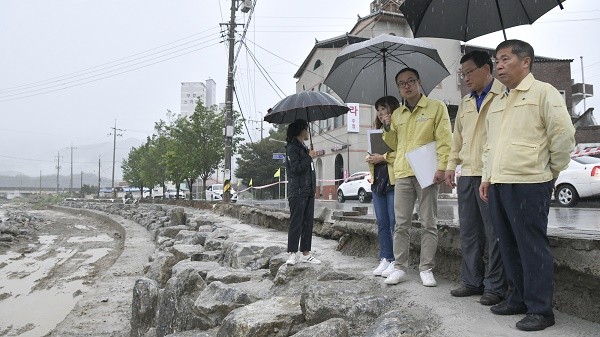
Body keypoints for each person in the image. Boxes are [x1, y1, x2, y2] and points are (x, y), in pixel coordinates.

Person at [479, 39, 575, 331]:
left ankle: (541, 309)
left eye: (505, 59)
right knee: (507, 245)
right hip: (499, 183)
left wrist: (552, 170)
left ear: (526, 61)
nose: (499, 65)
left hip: (530, 182)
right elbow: (490, 144)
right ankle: (517, 297)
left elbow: (563, 135)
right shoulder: (499, 100)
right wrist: (486, 176)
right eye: (497, 60)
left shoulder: (543, 93)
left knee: (531, 246)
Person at [445, 50, 506, 305]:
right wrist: (451, 165)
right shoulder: (466, 102)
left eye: (469, 72)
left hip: (491, 173)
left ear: (486, 68)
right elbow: (456, 138)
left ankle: (495, 286)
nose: (465, 78)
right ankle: (472, 281)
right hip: (468, 174)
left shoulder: (504, 95)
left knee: (495, 233)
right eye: (462, 74)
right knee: (469, 232)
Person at [381, 68, 452, 286]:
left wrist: (442, 166)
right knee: (401, 224)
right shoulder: (397, 115)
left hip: (427, 172)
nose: (407, 86)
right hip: (402, 172)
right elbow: (395, 144)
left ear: (419, 82)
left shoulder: (436, 107)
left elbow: (444, 139)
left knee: (428, 222)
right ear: (399, 89)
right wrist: (386, 126)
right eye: (402, 83)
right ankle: (400, 267)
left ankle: (426, 268)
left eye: (411, 81)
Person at [367, 96, 399, 276]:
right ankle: (385, 258)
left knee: (395, 222)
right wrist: (371, 158)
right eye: (378, 110)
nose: (380, 113)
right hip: (378, 180)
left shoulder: (398, 128)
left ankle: (396, 260)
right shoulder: (375, 132)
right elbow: (374, 156)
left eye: (383, 109)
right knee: (382, 223)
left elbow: (402, 152)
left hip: (394, 180)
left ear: (392, 109)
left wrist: (383, 157)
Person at [285, 119, 321, 265]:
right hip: (297, 191)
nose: (308, 132)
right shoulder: (292, 148)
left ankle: (306, 253)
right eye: (306, 129)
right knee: (296, 223)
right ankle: (292, 254)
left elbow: (308, 170)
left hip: (307, 191)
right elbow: (296, 169)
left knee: (308, 223)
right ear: (301, 130)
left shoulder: (303, 147)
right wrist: (309, 157)